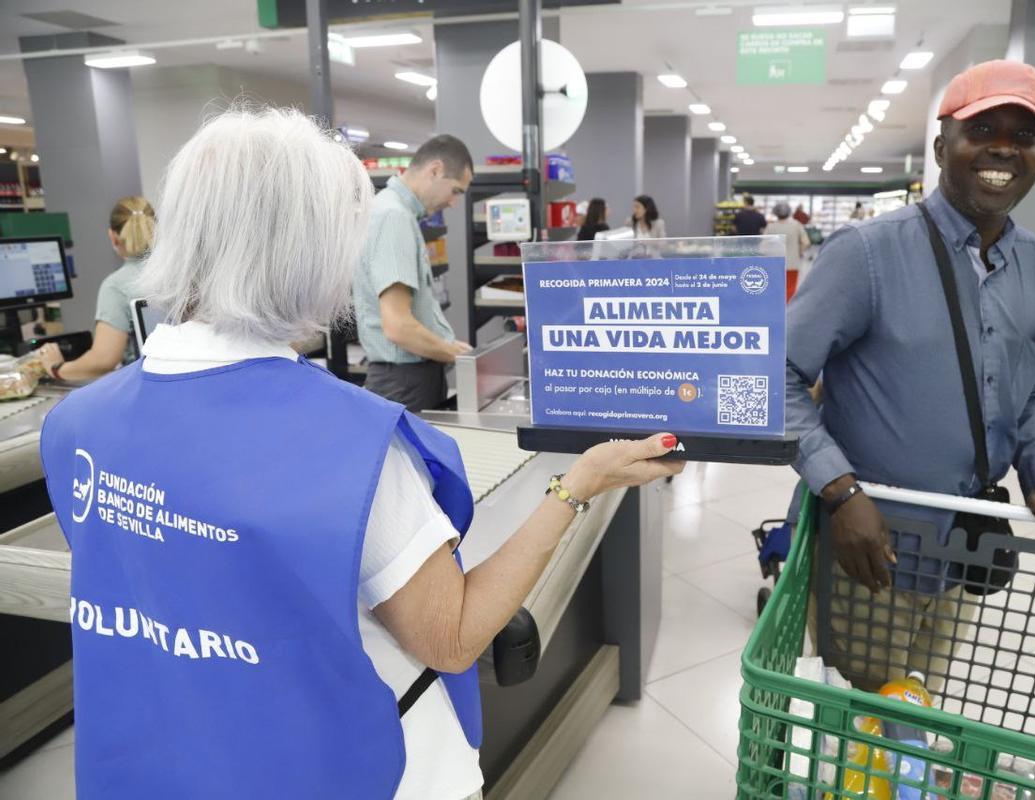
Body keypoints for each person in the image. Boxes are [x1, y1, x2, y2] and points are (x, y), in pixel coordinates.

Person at [38, 107, 684, 800]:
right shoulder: (348, 446)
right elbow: (452, 636)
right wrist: (581, 482)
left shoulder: (78, 425)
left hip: (163, 767)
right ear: (309, 250)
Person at [784, 60, 1035, 694]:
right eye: (983, 128)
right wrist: (841, 492)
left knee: (921, 704)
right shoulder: (866, 254)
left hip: (964, 546)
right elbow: (775, 378)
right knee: (862, 713)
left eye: (1025, 135)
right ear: (941, 146)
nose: (1005, 147)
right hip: (865, 547)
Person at [354, 134, 474, 411]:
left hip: (408, 379)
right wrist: (456, 354)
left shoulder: (396, 213)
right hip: (404, 383)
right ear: (435, 170)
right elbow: (398, 327)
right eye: (455, 191)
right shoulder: (393, 217)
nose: (453, 203)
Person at [36, 197, 156, 381]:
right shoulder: (182, 271)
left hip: (149, 387)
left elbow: (103, 360)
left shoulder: (117, 286)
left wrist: (57, 368)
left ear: (113, 236)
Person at [764, 201, 811, 300]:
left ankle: (777, 311)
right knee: (790, 290)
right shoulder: (796, 225)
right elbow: (806, 242)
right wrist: (799, 252)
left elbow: (763, 246)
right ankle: (788, 312)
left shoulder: (770, 227)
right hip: (792, 264)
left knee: (776, 289)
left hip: (775, 264)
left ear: (775, 213)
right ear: (789, 212)